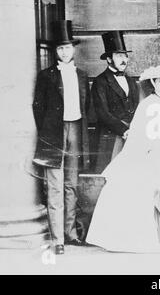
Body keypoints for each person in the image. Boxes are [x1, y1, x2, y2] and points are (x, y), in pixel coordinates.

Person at [86, 66, 160, 252]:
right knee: (147, 191)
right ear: (153, 84)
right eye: (159, 81)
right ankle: (148, 238)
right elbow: (137, 134)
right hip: (150, 154)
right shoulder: (147, 105)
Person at [32, 20, 91, 255]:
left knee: (71, 184)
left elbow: (84, 106)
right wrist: (48, 131)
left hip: (76, 129)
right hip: (53, 133)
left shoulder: (82, 75)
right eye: (60, 48)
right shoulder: (46, 76)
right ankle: (58, 240)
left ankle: (71, 233)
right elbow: (38, 107)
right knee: (55, 185)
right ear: (55, 51)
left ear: (73, 49)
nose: (65, 51)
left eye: (68, 47)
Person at [91, 31, 140, 173]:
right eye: (119, 56)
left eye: (125, 55)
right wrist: (124, 130)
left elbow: (136, 107)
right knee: (111, 175)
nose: (124, 59)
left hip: (131, 137)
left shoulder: (131, 81)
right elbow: (102, 113)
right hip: (111, 137)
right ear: (109, 59)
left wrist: (134, 130)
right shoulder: (100, 81)